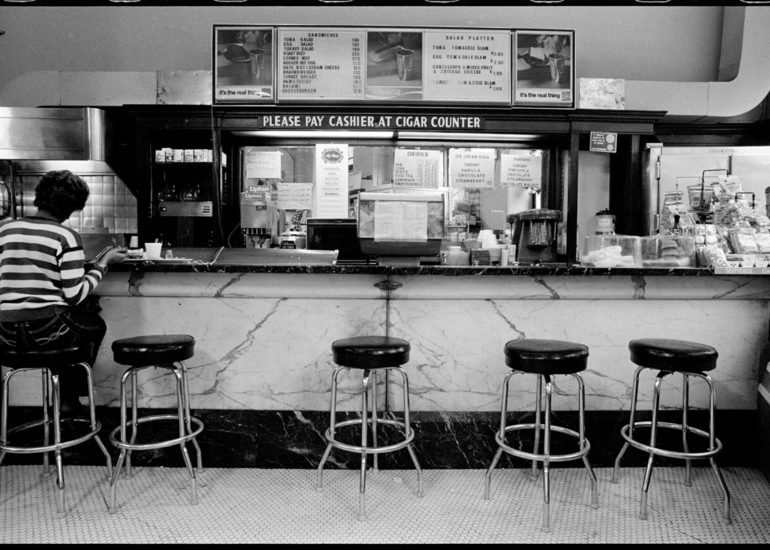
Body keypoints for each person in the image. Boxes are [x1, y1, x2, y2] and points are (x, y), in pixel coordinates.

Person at [0, 170, 128, 414]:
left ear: (39, 197)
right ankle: (69, 399)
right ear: (73, 209)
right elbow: (74, 295)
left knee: (72, 325)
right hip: (47, 331)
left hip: (4, 334)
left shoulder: (5, 230)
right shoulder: (65, 236)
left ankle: (65, 400)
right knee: (93, 326)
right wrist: (103, 264)